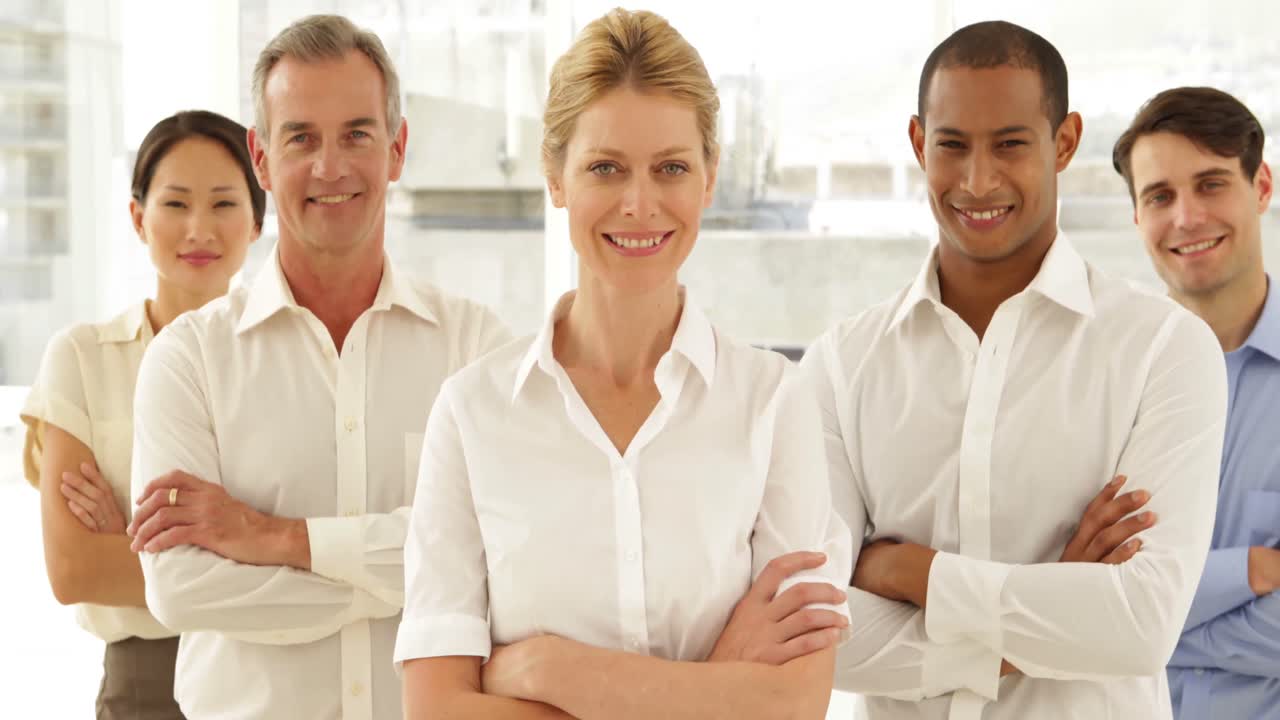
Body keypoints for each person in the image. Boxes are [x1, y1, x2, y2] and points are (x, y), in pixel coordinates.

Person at [395, 9, 852, 719]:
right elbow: (435, 709)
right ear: (555, 177)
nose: (640, 205)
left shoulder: (774, 403)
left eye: (671, 168)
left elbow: (793, 703)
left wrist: (551, 669)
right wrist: (717, 684)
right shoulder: (472, 413)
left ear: (709, 178)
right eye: (605, 168)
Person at [800, 20, 1226, 719]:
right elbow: (816, 638)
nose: (977, 180)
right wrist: (1056, 602)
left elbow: (1142, 625)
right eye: (952, 146)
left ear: (1063, 143)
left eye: (1009, 145)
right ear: (917, 143)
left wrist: (915, 574)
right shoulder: (841, 367)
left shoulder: (1164, 350)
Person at [124, 15, 510, 720]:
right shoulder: (188, 362)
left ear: (396, 149)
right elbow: (180, 590)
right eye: (301, 136)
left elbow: (506, 562)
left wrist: (274, 539)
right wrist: (419, 574)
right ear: (263, 157)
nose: (330, 166)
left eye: (357, 134)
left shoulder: (475, 349)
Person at [19, 109, 264, 719]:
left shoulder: (286, 358)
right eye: (176, 204)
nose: (199, 228)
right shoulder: (80, 358)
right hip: (145, 684)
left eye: (225, 204)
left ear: (258, 221)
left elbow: (320, 547)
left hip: (273, 675)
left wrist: (136, 540)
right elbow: (75, 569)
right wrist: (257, 542)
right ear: (138, 217)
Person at [1113, 85, 1280, 720]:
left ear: (1261, 186)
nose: (1186, 217)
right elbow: (1068, 593)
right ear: (1136, 217)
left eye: (1211, 184)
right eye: (1159, 196)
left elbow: (1107, 620)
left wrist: (1141, 633)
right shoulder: (1103, 385)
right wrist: (1252, 571)